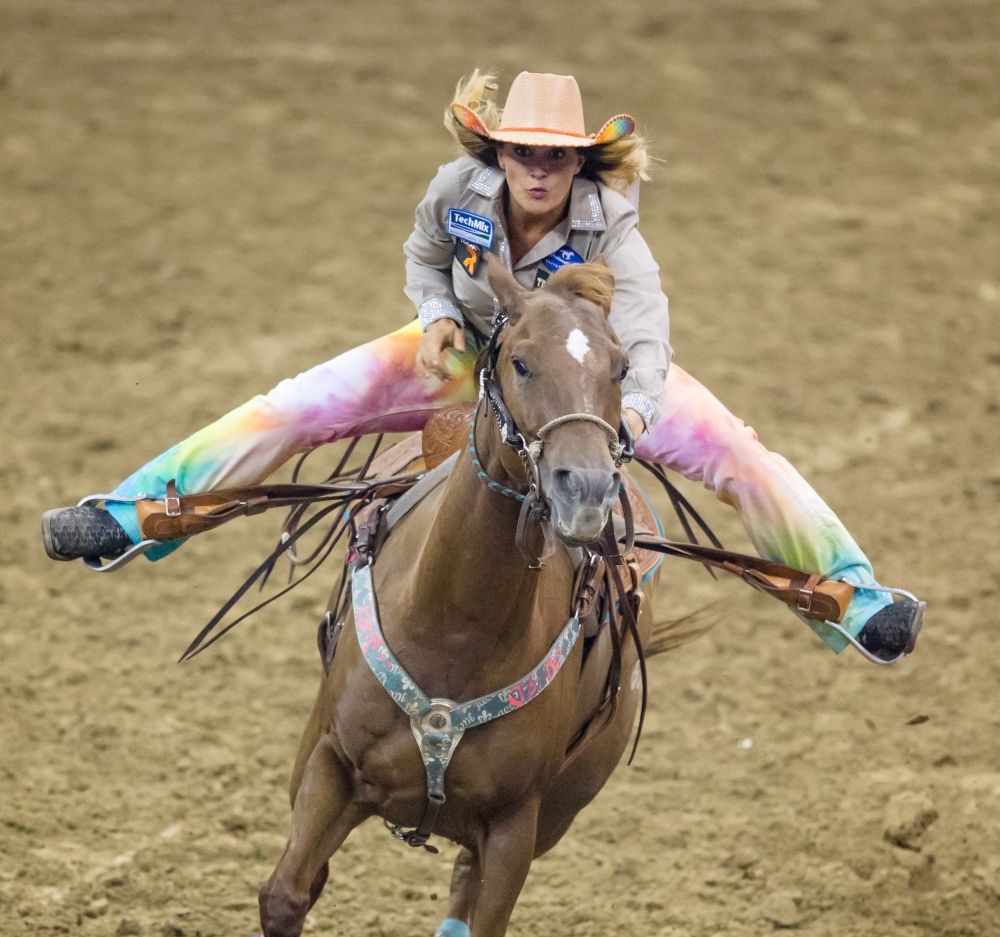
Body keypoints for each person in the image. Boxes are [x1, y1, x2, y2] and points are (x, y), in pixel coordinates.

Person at [41, 70, 923, 662]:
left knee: (737, 454)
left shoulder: (610, 219)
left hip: (585, 379)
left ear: (577, 160)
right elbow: (424, 258)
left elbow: (646, 323)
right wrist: (431, 317)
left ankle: (850, 601)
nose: (537, 167)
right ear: (497, 154)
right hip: (467, 358)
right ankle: (135, 514)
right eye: (522, 151)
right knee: (293, 407)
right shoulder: (449, 194)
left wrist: (638, 410)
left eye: (555, 154)